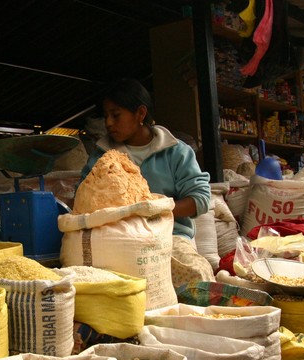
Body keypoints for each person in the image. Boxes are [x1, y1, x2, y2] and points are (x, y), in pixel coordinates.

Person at [79, 78, 215, 286]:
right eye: (106, 116)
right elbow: (82, 199)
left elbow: (200, 199)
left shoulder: (175, 152)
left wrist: (153, 211)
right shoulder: (102, 156)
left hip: (169, 236)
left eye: (116, 115)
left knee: (196, 275)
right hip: (116, 239)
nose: (108, 123)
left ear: (140, 114)